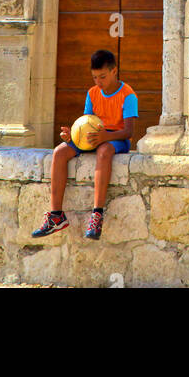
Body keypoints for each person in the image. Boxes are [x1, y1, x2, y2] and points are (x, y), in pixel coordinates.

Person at [32, 49, 138, 241]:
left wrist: (106, 136)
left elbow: (129, 131)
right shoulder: (92, 93)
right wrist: (71, 136)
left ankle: (96, 214)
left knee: (104, 150)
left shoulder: (128, 95)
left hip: (116, 138)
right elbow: (86, 122)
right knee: (59, 152)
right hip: (94, 137)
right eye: (95, 77)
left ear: (114, 71)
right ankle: (56, 215)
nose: (98, 82)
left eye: (103, 77)